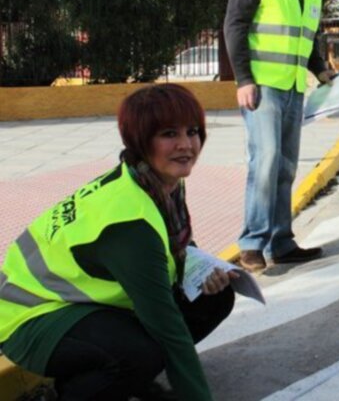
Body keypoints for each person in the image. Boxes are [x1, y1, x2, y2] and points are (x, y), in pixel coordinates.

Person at [0, 84, 235, 401]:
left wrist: (203, 272)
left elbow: (172, 251)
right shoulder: (130, 222)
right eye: (169, 134)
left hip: (76, 304)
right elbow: (166, 326)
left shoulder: (158, 182)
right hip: (30, 319)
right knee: (139, 354)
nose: (186, 145)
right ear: (141, 141)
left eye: (192, 131)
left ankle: (120, 381)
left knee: (213, 298)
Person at [224, 0, 335, 272]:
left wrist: (320, 69)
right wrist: (243, 79)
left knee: (286, 166)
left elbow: (310, 33)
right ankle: (252, 244)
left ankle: (282, 242)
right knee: (266, 160)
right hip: (262, 86)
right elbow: (235, 26)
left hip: (293, 86)